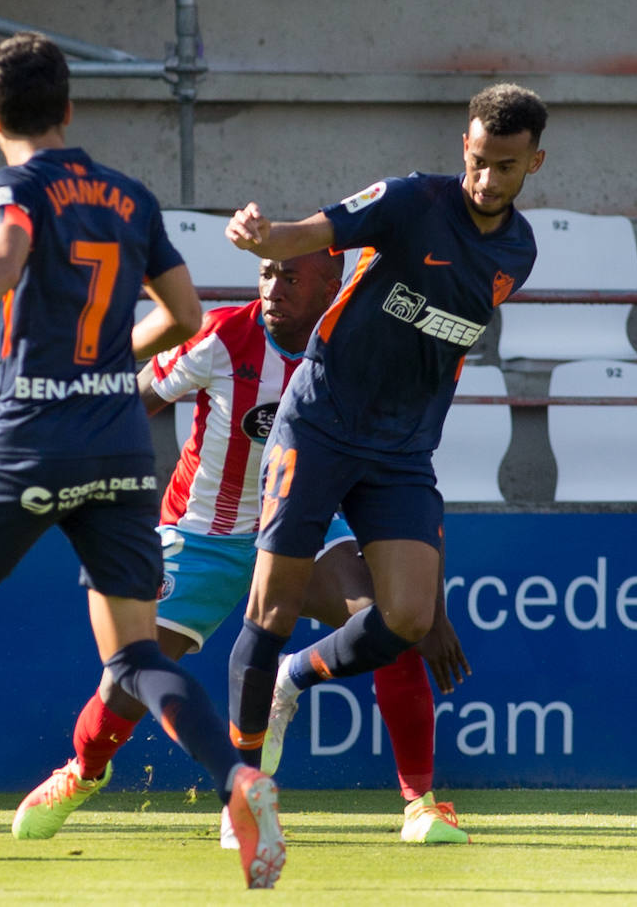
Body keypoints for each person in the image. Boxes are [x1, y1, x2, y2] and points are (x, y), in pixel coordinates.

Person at [0, 32, 284, 890]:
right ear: (70, 109)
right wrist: (115, 359)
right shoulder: (129, 196)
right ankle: (238, 778)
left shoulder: (14, 185)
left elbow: (2, 260)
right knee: (136, 658)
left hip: (37, 437)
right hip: (120, 443)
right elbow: (188, 315)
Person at [11, 248, 472, 847]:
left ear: (331, 285)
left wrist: (428, 603)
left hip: (305, 527)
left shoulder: (360, 353)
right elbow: (135, 401)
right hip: (203, 534)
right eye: (267, 274)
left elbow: (412, 476)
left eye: (291, 276)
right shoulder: (226, 334)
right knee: (128, 676)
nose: (274, 287)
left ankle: (420, 806)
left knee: (392, 627)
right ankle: (81, 774)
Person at [220, 83, 548, 835]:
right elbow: (311, 234)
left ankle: (295, 679)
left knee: (407, 616)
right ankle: (243, 793)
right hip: (323, 420)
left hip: (402, 449)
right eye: (476, 160)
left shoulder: (518, 252)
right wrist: (262, 237)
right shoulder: (408, 202)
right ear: (462, 149)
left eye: (505, 166)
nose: (486, 178)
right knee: (269, 608)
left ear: (534, 162)